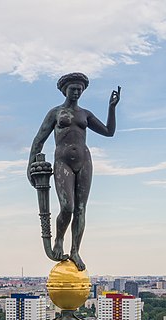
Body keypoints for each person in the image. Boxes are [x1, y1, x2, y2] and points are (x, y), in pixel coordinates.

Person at [28, 72, 120, 271]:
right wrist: (30, 166)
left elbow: (108, 131)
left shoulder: (85, 114)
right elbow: (39, 140)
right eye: (73, 89)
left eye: (80, 89)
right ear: (65, 90)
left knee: (80, 209)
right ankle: (59, 240)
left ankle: (75, 250)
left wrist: (111, 109)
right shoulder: (56, 113)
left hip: (84, 161)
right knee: (68, 207)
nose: (77, 92)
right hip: (63, 161)